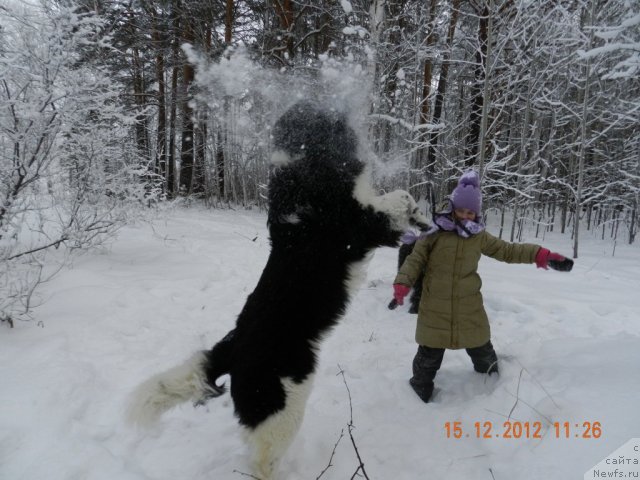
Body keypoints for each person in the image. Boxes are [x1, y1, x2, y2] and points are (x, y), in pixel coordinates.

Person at [392, 170, 573, 403]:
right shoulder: (434, 233)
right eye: (461, 210)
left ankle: (495, 384)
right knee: (429, 355)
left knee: (482, 350)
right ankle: (417, 394)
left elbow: (508, 250)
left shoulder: (479, 237)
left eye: (471, 212)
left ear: (476, 213)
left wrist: (541, 255)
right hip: (435, 306)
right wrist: (402, 283)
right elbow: (415, 259)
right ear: (452, 207)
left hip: (469, 306)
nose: (465, 216)